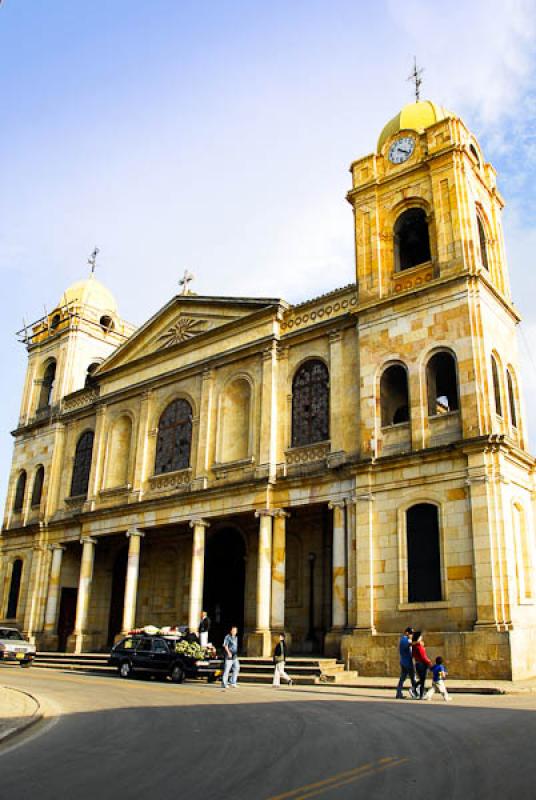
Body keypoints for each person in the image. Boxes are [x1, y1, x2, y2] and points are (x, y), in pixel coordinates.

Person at [395, 626, 418, 699]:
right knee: (413, 678)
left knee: (402, 678)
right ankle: (415, 693)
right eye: (411, 633)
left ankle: (399, 693)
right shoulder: (404, 639)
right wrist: (417, 642)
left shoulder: (405, 639)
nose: (412, 635)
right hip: (407, 662)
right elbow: (410, 644)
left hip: (404, 662)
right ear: (406, 633)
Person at [411, 631, 433, 699]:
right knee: (422, 680)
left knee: (422, 680)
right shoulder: (418, 646)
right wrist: (429, 662)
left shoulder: (414, 646)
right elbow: (423, 656)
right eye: (420, 636)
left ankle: (417, 691)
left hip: (418, 663)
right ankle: (417, 691)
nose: (422, 637)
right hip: (422, 664)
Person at [221, 625, 240, 689]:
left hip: (235, 655)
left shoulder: (236, 637)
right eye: (233, 630)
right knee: (227, 670)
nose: (234, 631)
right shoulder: (228, 637)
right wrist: (228, 652)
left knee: (237, 667)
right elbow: (225, 645)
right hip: (229, 655)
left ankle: (233, 682)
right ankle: (224, 683)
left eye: (235, 630)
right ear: (231, 631)